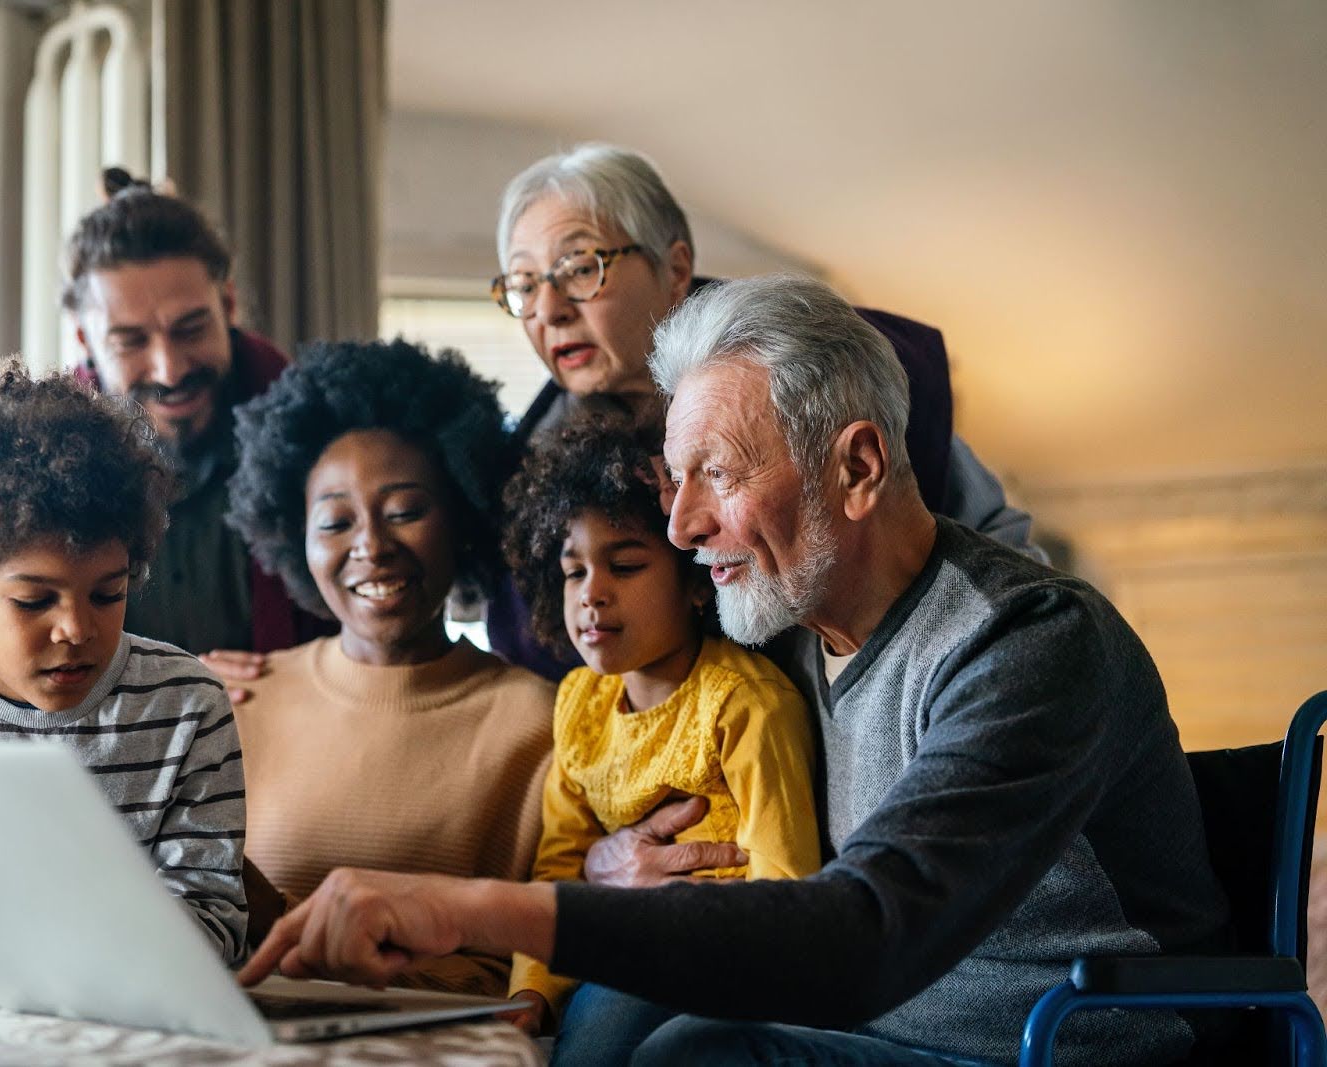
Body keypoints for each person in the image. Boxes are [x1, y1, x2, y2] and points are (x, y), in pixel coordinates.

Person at [240, 276, 1228, 1066]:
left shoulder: (1027, 640)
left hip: (1049, 1043)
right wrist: (601, 867)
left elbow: (864, 932)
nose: (680, 528)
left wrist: (466, 902)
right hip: (876, 1031)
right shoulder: (779, 624)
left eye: (717, 472)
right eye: (677, 482)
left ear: (856, 466)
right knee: (654, 1022)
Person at [486, 143, 1041, 678]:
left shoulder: (816, 368)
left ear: (675, 267)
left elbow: (1003, 559)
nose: (549, 310)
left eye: (581, 269)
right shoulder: (534, 467)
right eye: (525, 284)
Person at [0, 360, 248, 994]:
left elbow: (215, 921)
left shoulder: (187, 706)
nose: (77, 630)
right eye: (34, 602)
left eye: (108, 594)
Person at [0, 170, 326, 678]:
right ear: (84, 338)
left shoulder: (319, 437)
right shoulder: (31, 452)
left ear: (227, 304)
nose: (170, 368)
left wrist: (290, 681)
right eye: (130, 342)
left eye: (191, 329)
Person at [222, 339, 555, 996]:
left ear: (462, 518)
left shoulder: (537, 721)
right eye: (336, 521)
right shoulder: (240, 699)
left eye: (404, 511)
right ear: (296, 540)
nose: (371, 546)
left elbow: (531, 966)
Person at [500, 411, 820, 1059]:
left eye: (624, 564)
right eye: (573, 571)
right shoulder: (579, 702)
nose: (592, 593)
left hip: (724, 965)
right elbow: (560, 864)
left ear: (697, 581)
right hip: (619, 948)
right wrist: (530, 992)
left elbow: (790, 884)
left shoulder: (744, 701)